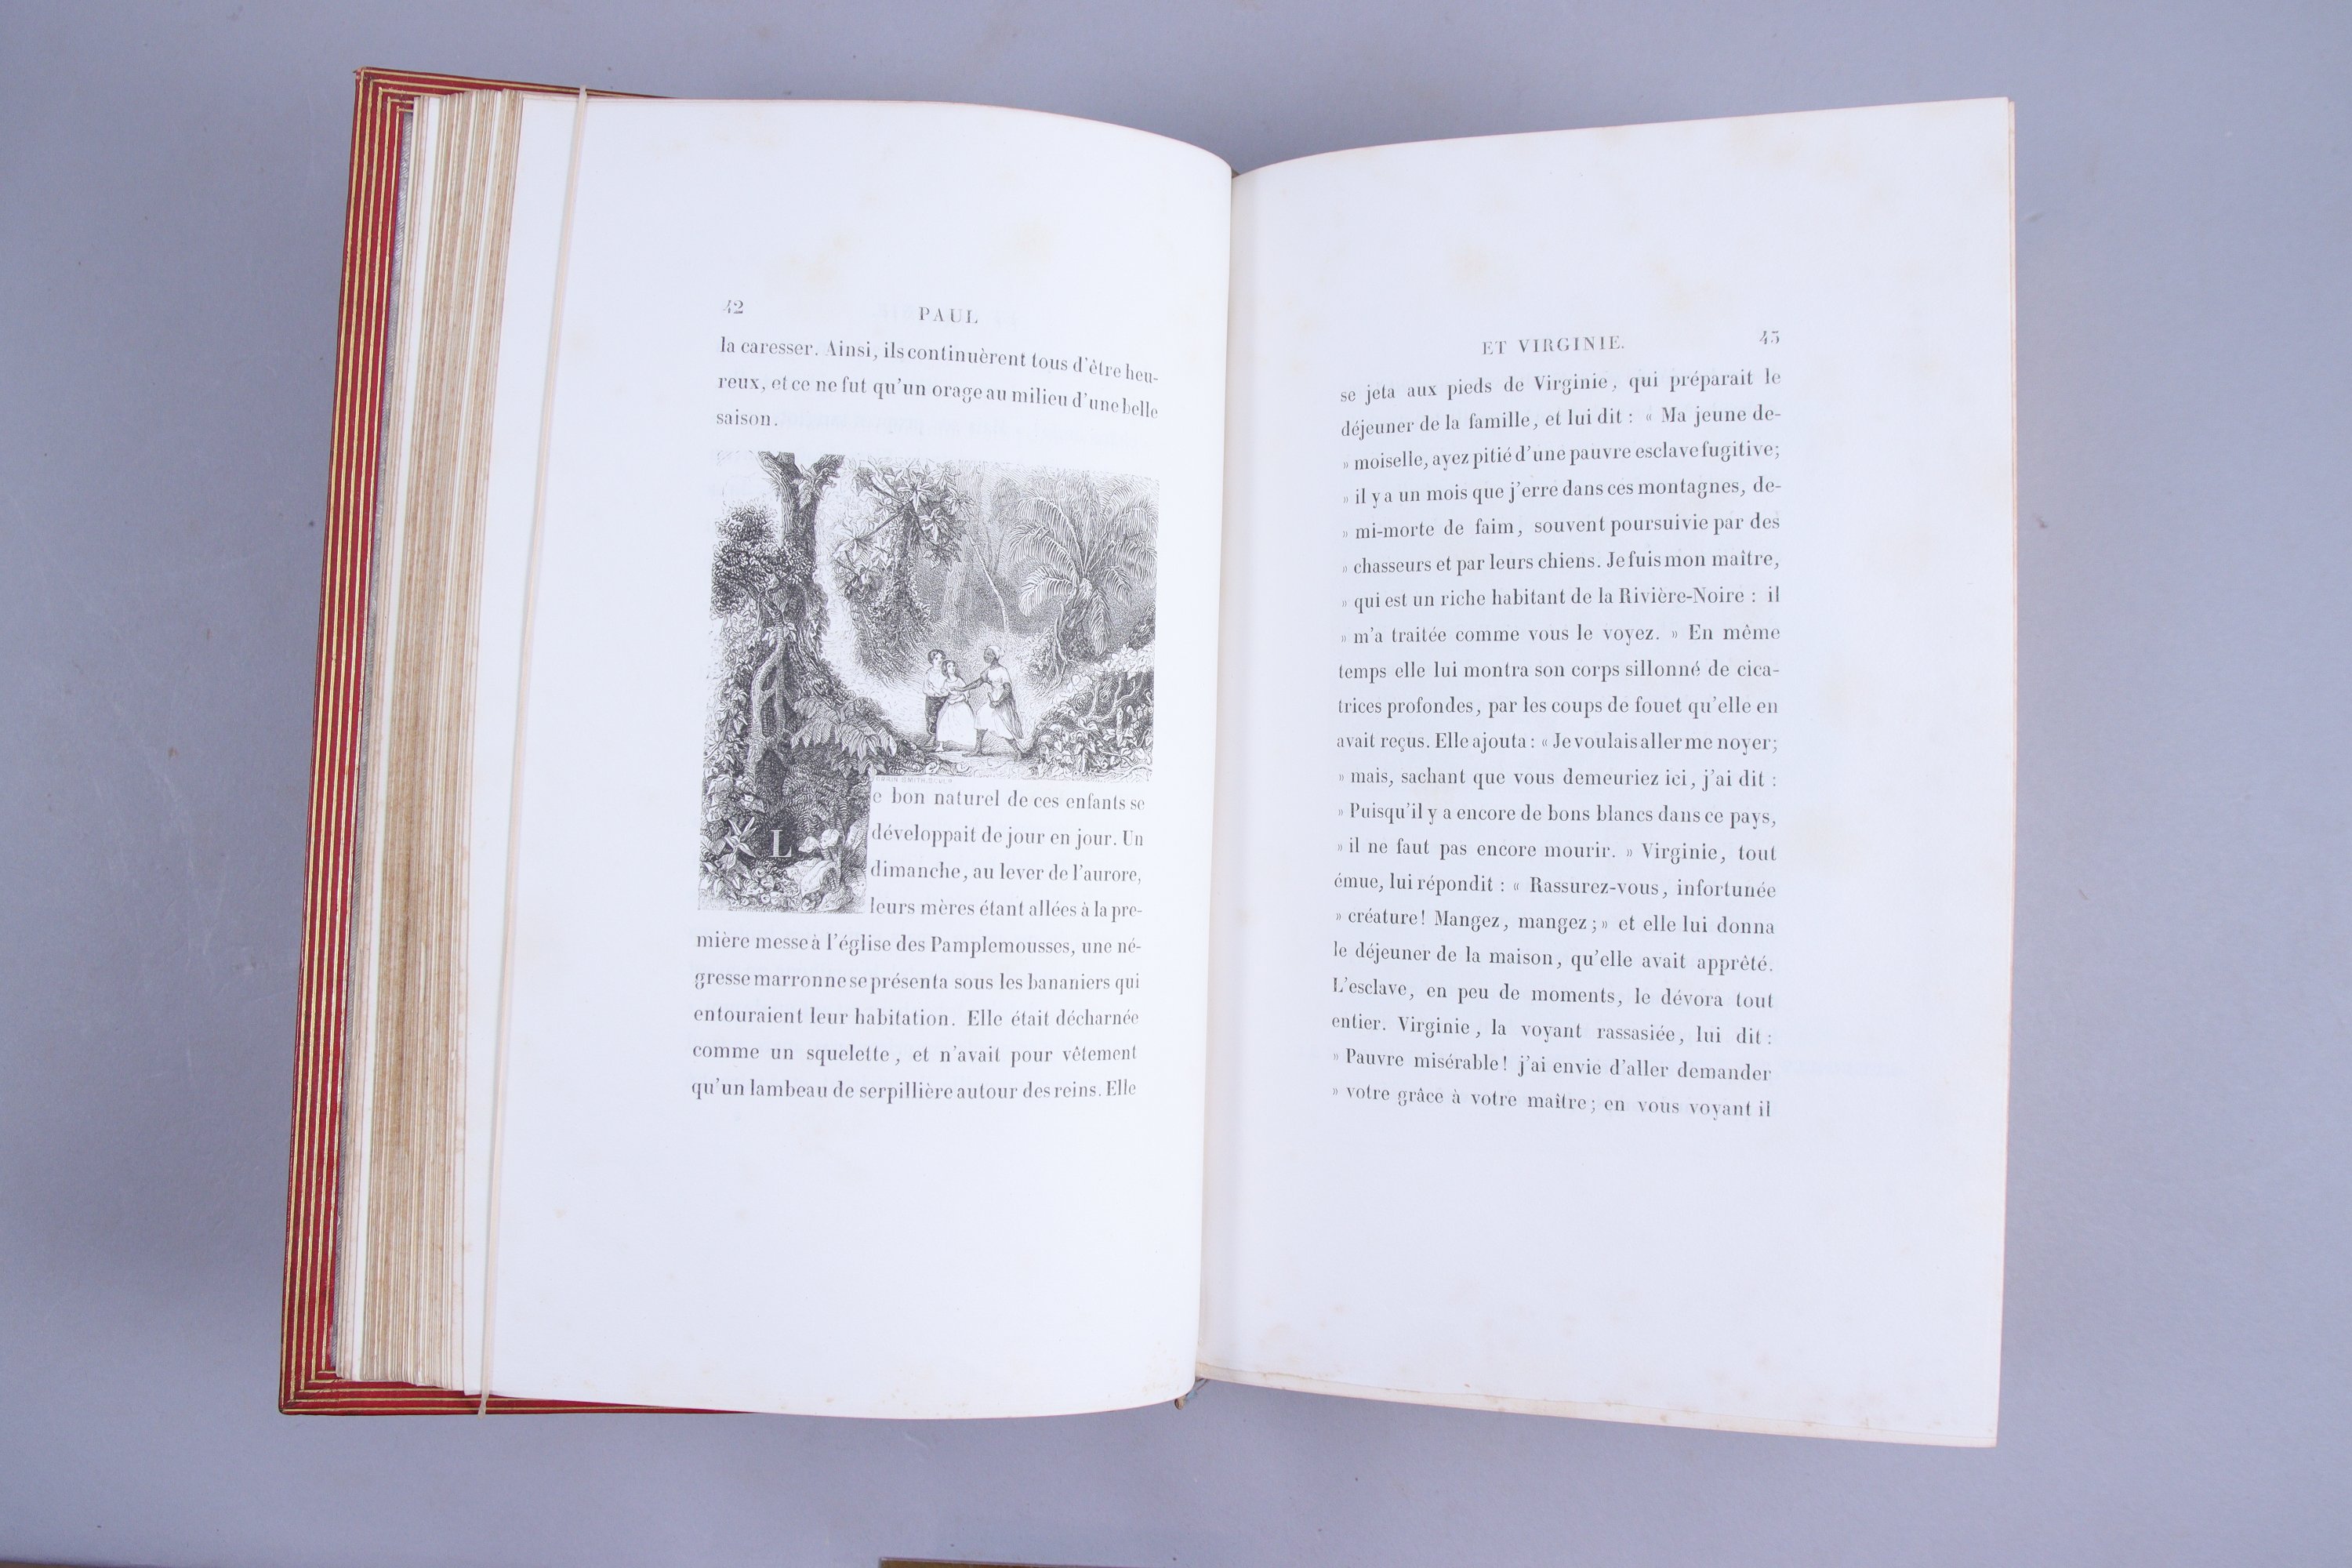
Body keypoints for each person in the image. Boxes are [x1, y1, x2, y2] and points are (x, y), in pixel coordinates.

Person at [969, 646, 1025, 756]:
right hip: (993, 699)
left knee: (1003, 726)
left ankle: (1018, 752)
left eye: (988, 655)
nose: (985, 656)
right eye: (985, 654)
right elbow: (978, 683)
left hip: (1003, 700)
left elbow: (1008, 689)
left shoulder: (1002, 671)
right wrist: (962, 689)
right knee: (981, 716)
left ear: (995, 656)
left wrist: (998, 701)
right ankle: (977, 750)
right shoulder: (988, 671)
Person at [932, 660, 978, 752]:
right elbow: (944, 692)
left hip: (960, 704)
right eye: (949, 666)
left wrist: (955, 701)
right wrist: (941, 692)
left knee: (966, 722)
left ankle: (973, 745)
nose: (952, 668)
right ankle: (941, 746)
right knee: (943, 721)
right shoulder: (946, 682)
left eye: (953, 666)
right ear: (946, 669)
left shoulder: (960, 681)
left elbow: (965, 695)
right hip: (949, 704)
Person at [919, 649, 954, 748]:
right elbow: (925, 688)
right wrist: (934, 692)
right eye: (936, 658)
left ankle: (942, 740)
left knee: (943, 718)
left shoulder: (945, 673)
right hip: (931, 699)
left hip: (943, 699)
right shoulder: (929, 673)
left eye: (941, 658)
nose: (939, 660)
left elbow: (949, 687)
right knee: (931, 718)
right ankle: (932, 737)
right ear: (932, 660)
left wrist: (942, 692)